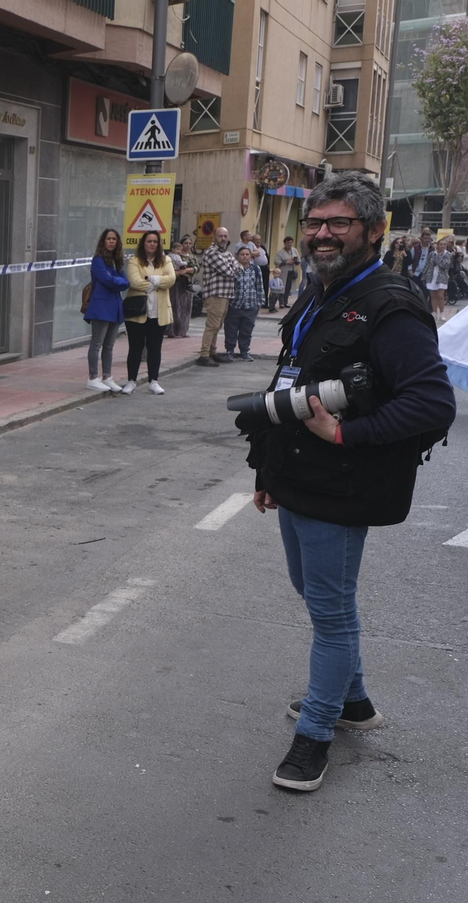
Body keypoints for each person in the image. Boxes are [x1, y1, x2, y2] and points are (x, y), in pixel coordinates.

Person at [243, 172, 455, 792]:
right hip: (297, 477)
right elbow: (288, 382)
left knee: (331, 615)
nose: (323, 234)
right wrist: (268, 470)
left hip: (343, 482)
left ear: (374, 230)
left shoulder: (392, 305)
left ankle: (313, 738)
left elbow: (431, 404)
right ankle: (354, 703)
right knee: (311, 590)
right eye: (315, 223)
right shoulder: (320, 290)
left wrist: (346, 435)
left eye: (339, 224)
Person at [121, 230, 176, 395]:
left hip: (159, 312)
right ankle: (131, 381)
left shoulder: (166, 260)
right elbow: (134, 281)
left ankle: (154, 381)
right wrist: (159, 282)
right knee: (135, 347)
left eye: (155, 241)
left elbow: (171, 279)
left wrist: (150, 279)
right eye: (149, 241)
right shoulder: (134, 260)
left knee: (155, 347)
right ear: (143, 243)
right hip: (138, 311)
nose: (152, 244)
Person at [84, 228, 129, 392]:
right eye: (108, 238)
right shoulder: (98, 260)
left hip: (115, 306)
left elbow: (126, 282)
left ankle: (107, 376)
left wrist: (115, 281)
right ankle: (92, 377)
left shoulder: (117, 262)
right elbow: (106, 280)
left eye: (114, 239)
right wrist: (116, 281)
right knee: (97, 343)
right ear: (103, 241)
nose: (111, 241)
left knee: (109, 345)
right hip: (101, 306)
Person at [197, 225, 243, 366]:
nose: (223, 238)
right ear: (214, 238)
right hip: (216, 294)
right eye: (220, 236)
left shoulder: (226, 253)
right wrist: (233, 267)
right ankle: (204, 355)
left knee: (217, 325)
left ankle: (212, 352)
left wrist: (233, 267)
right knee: (212, 325)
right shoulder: (212, 252)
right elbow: (228, 271)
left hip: (226, 294)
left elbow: (239, 267)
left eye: (225, 236)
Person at [224, 246, 265, 361]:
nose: (245, 256)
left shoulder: (256, 269)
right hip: (235, 305)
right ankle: (229, 351)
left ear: (250, 256)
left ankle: (244, 351)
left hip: (251, 305)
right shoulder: (233, 269)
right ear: (238, 256)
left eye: (247, 254)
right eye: (242, 254)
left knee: (247, 330)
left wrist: (259, 303)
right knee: (231, 329)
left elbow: (260, 286)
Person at [168, 235, 198, 338]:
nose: (188, 245)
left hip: (187, 284)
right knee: (175, 306)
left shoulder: (192, 256)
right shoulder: (175, 256)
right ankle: (173, 331)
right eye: (185, 243)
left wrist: (186, 270)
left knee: (186, 307)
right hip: (176, 283)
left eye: (190, 243)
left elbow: (196, 268)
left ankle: (183, 331)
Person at [423, 237, 452, 323]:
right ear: (438, 245)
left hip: (442, 276)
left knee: (440, 296)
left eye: (444, 245)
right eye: (441, 244)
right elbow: (428, 264)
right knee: (433, 296)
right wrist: (424, 275)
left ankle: (442, 313)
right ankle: (435, 313)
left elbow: (445, 265)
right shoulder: (432, 253)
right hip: (432, 275)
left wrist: (438, 258)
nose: (443, 246)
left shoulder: (448, 254)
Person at [273, 237, 300, 312]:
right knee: (282, 287)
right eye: (288, 243)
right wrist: (286, 262)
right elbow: (276, 262)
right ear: (285, 243)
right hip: (283, 272)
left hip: (292, 271)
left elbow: (299, 260)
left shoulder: (294, 250)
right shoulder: (280, 252)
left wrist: (295, 261)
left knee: (289, 287)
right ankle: (281, 303)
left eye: (291, 243)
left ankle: (286, 302)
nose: (289, 244)